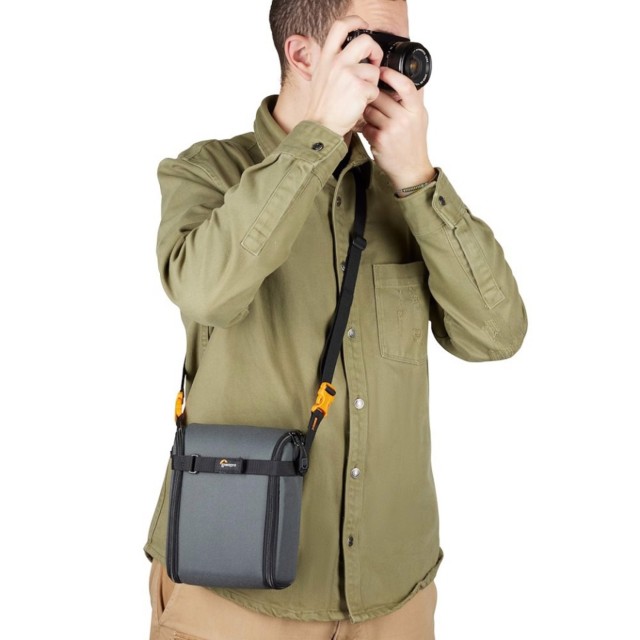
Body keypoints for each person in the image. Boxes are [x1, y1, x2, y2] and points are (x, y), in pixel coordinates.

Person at [144, 0, 527, 638]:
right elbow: (207, 293)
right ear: (302, 55)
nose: (393, 69)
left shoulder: (404, 194)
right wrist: (317, 137)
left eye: (400, 50)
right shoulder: (207, 172)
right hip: (232, 588)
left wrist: (418, 177)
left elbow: (497, 334)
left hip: (392, 597)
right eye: (368, 45)